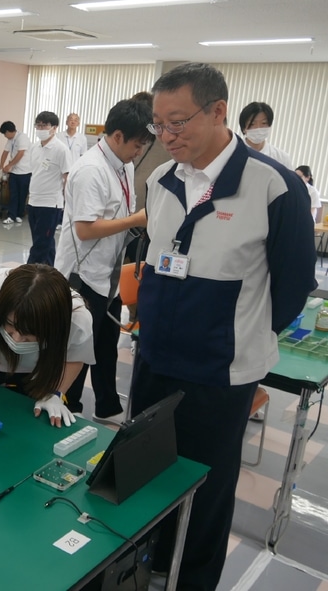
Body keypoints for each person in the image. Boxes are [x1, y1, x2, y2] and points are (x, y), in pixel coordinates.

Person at [136, 62, 315, 590]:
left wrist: (237, 334)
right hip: (154, 359)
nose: (166, 136)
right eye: (157, 125)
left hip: (222, 371)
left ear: (218, 112)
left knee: (206, 489)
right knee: (146, 475)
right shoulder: (160, 180)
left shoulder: (274, 188)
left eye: (178, 122)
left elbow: (291, 289)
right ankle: (148, 566)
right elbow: (158, 257)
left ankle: (192, 581)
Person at [55, 99, 152, 422]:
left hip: (106, 273)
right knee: (80, 347)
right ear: (119, 136)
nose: (139, 151)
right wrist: (135, 220)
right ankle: (67, 406)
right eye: (137, 144)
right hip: (80, 275)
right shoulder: (90, 170)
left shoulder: (123, 165)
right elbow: (85, 229)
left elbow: (120, 212)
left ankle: (107, 407)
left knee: (106, 343)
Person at [0, 264, 94, 428]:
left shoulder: (77, 319)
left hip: (40, 373)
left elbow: (74, 359)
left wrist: (55, 393)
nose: (16, 338)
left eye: (29, 334)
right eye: (9, 325)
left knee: (31, 427)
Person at [26, 111, 72, 266]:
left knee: (40, 244)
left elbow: (67, 177)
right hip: (34, 202)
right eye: (38, 125)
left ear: (54, 128)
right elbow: (35, 173)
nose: (40, 128)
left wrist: (68, 204)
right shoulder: (34, 147)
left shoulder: (61, 149)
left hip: (50, 204)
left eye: (44, 125)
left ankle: (28, 273)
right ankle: (51, 271)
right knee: (45, 242)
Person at [238, 101, 293, 169]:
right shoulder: (234, 153)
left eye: (264, 123)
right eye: (252, 124)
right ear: (243, 128)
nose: (258, 128)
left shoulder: (282, 158)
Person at [0, 121, 31, 224]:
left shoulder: (22, 138)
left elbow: (21, 153)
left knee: (22, 195)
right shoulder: (10, 140)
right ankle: (11, 216)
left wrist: (9, 165)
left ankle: (19, 214)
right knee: (13, 194)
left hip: (25, 171)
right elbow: (5, 152)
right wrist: (1, 165)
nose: (4, 136)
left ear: (8, 131)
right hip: (14, 172)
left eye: (4, 133)